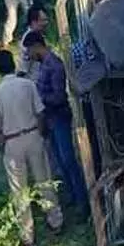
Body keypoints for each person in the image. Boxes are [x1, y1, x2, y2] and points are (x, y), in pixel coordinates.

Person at [0, 48, 63, 246]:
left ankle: (27, 236)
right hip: (32, 135)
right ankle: (55, 221)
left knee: (18, 190)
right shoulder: (28, 85)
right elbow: (40, 113)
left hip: (11, 141)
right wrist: (41, 134)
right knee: (44, 180)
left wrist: (2, 148)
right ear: (13, 64)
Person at [24, 32, 88, 214]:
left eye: (30, 50)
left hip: (59, 117)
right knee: (60, 161)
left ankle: (82, 202)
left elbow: (59, 96)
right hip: (50, 119)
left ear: (37, 46)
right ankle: (73, 197)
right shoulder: (43, 65)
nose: (29, 55)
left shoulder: (54, 65)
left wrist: (39, 100)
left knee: (68, 160)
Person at [17, 6, 49, 78]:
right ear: (33, 22)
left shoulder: (38, 35)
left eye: (46, 20)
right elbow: (22, 69)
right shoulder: (30, 40)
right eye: (43, 20)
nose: (46, 23)